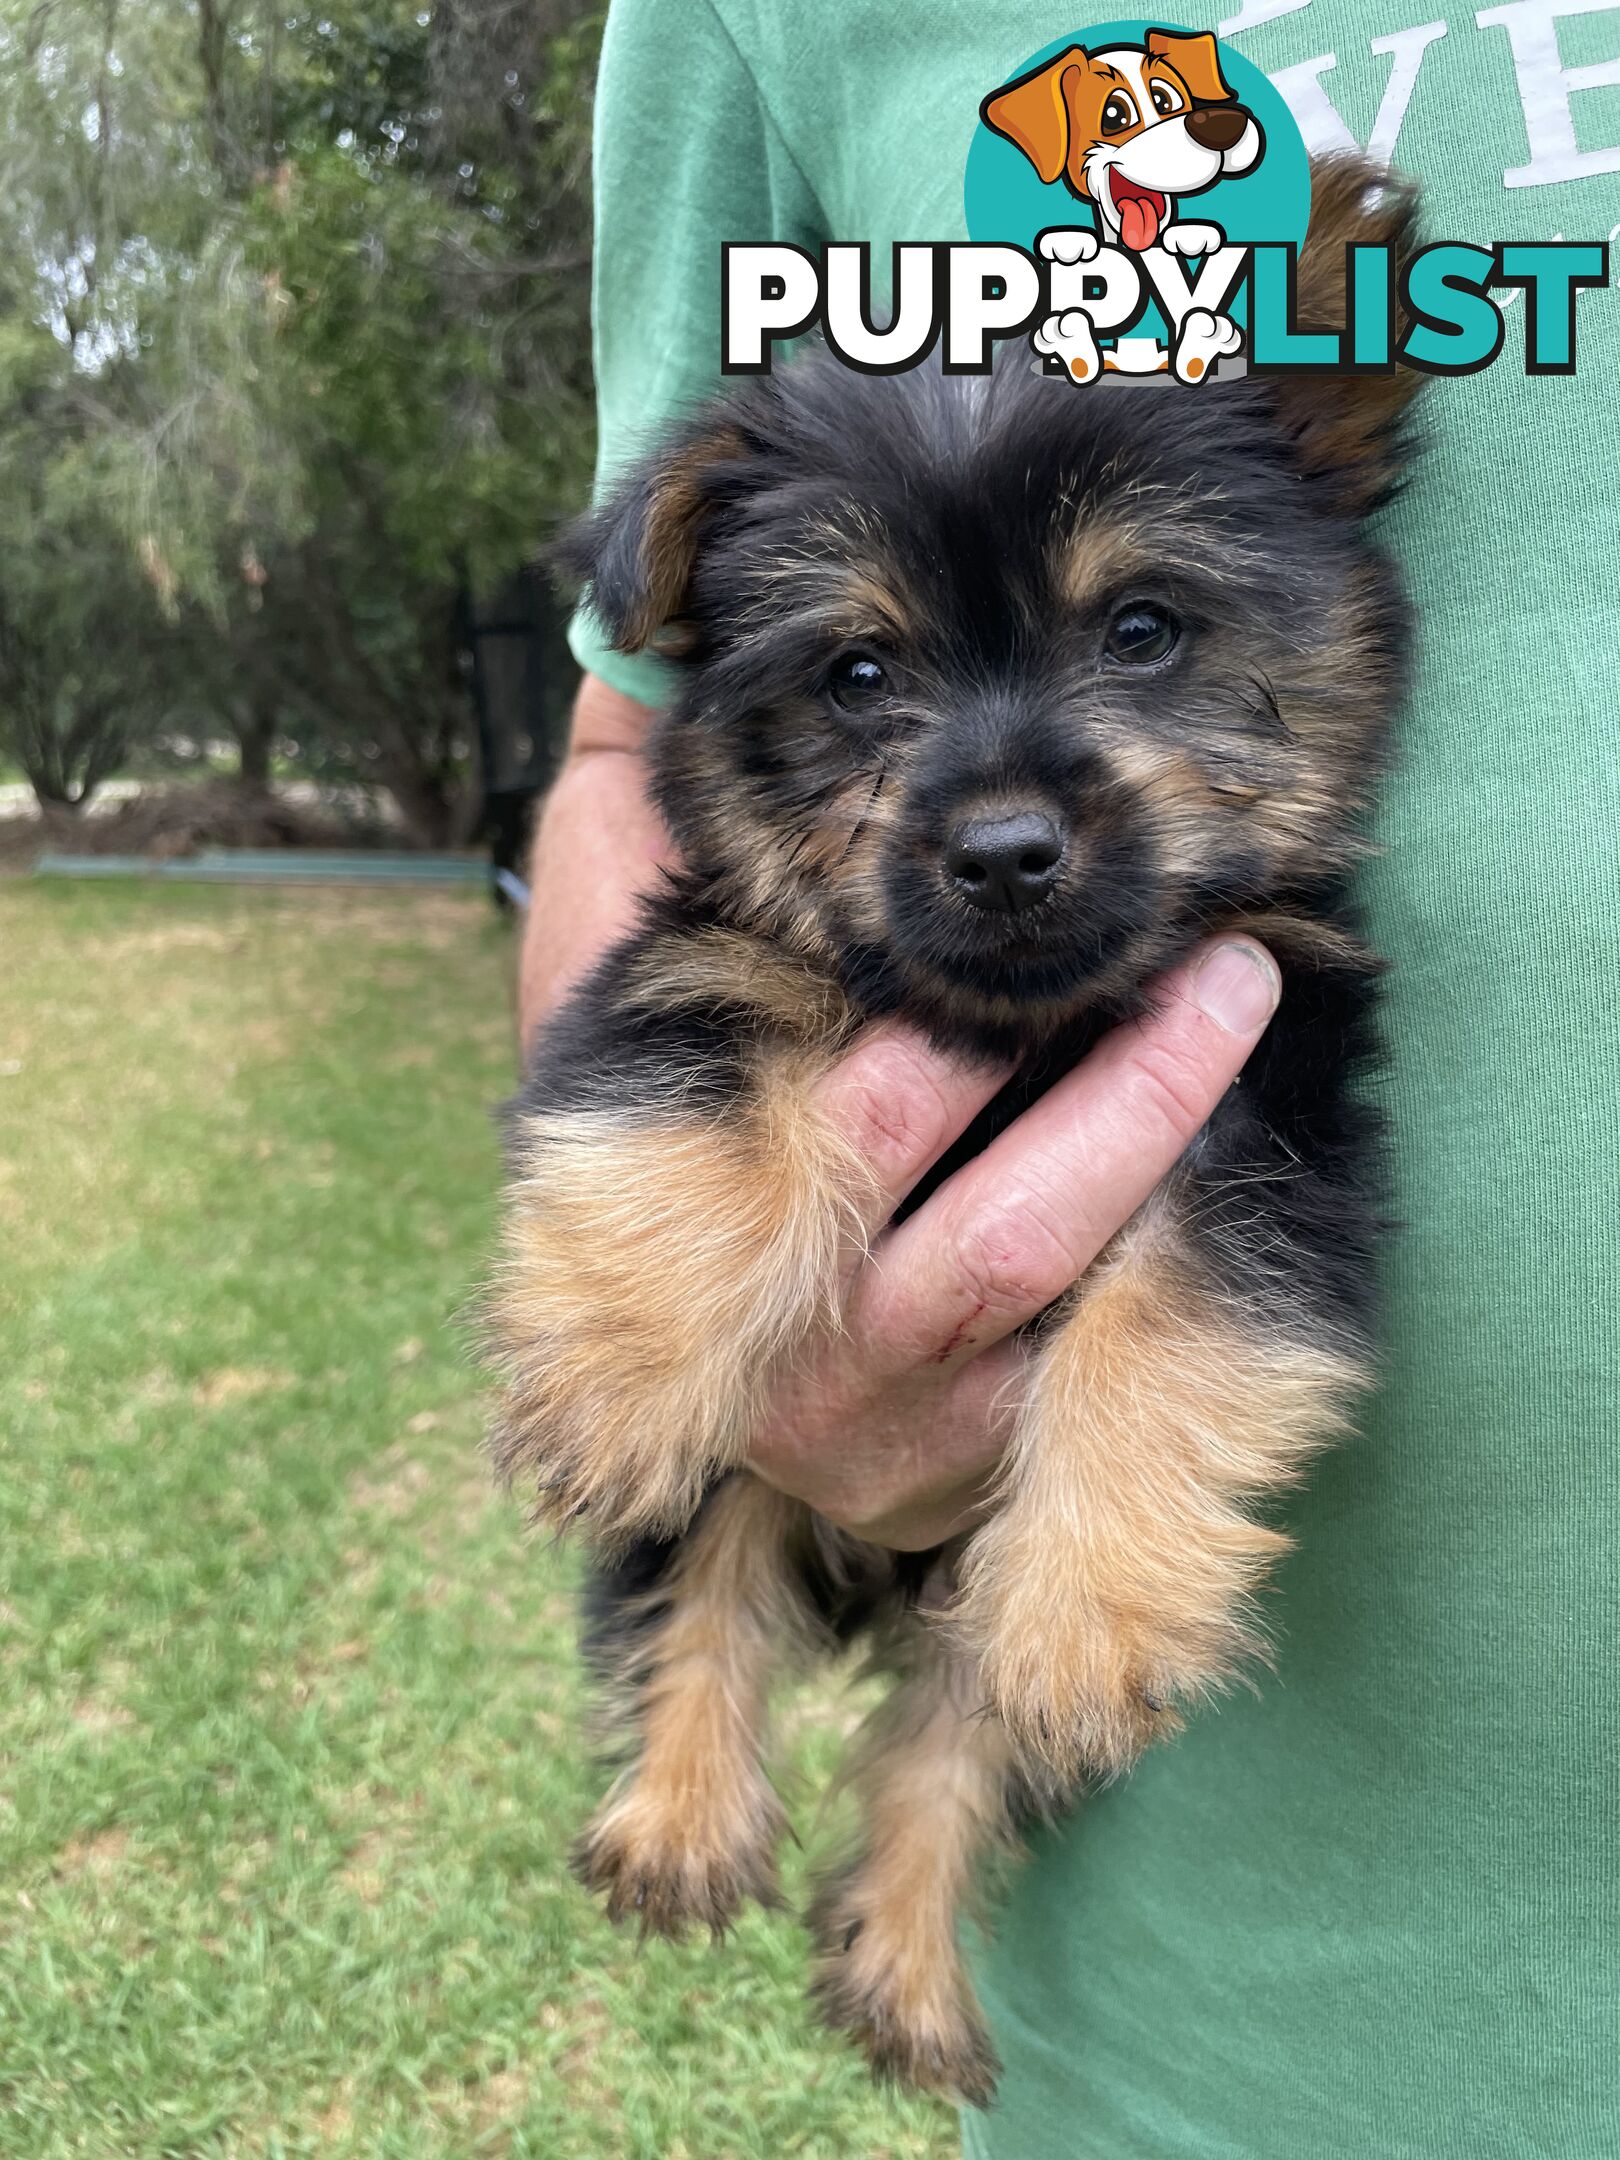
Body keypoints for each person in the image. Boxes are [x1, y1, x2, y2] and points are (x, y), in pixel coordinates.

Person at [519, 5, 1620, 2154]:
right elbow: (612, 752)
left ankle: (907, 1884)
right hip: (1250, 2004)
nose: (1013, 811)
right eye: (862, 673)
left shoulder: (1295, 414)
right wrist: (695, 1298)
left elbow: (1247, 1261)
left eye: (1141, 638)